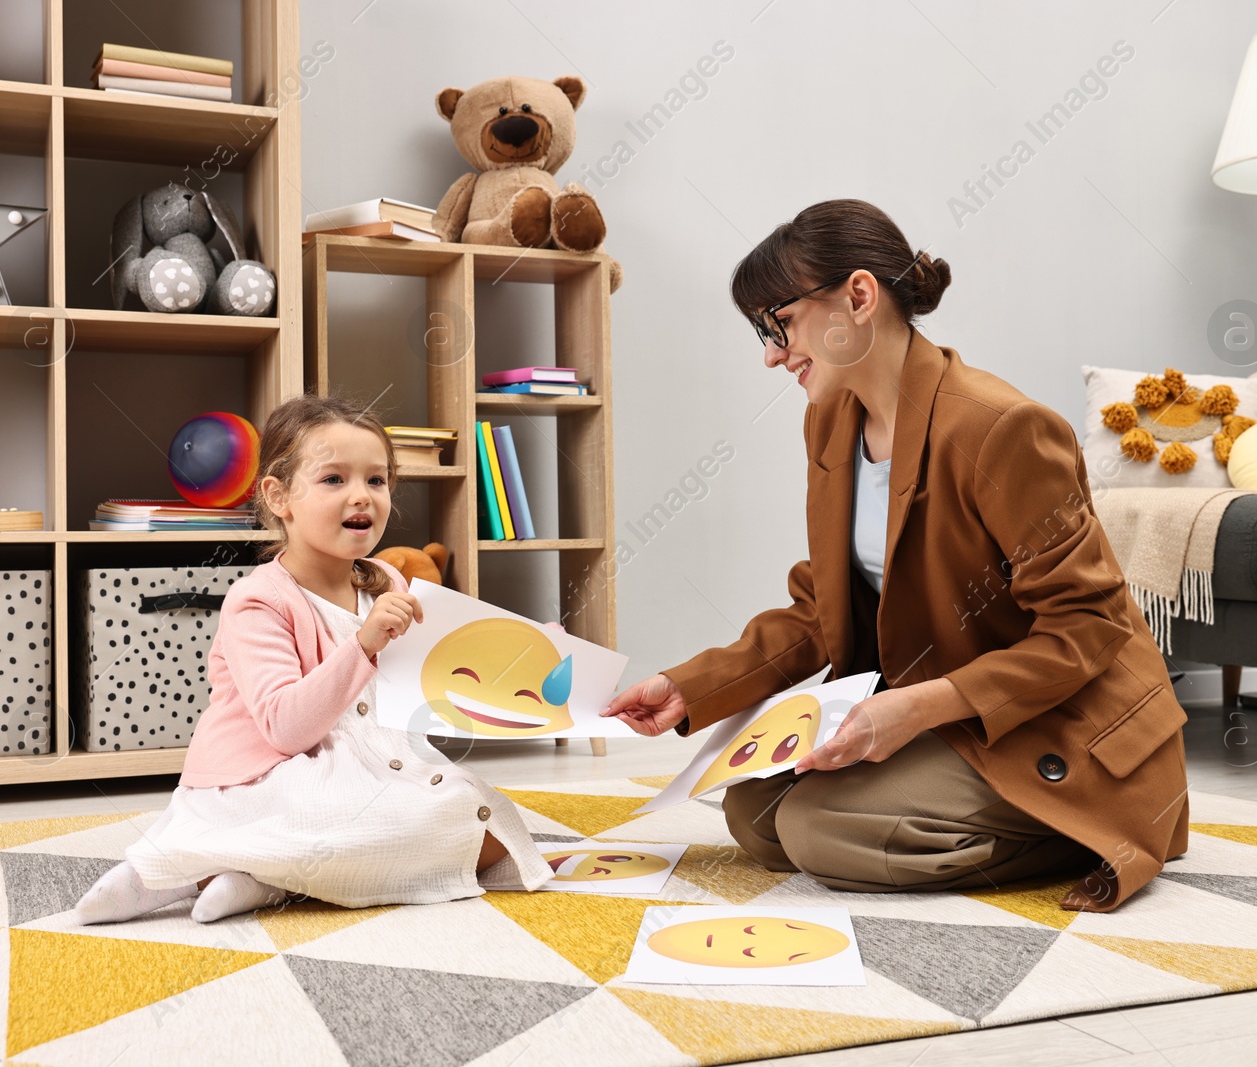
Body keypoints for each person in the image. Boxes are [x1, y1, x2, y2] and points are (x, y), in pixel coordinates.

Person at [603, 199, 1189, 912]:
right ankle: (989, 810)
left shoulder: (1003, 428)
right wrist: (692, 685)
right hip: (947, 708)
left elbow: (1087, 630)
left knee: (817, 829)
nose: (769, 352)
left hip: (1061, 718)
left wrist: (917, 709)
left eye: (778, 323)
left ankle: (1093, 828)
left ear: (858, 295)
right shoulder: (831, 418)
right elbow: (824, 604)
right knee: (754, 814)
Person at [75, 395, 551, 924]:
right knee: (328, 816)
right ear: (279, 497)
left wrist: (520, 653)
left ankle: (267, 881)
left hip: (373, 763)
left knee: (487, 824)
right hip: (272, 773)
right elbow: (287, 729)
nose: (362, 497)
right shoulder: (258, 600)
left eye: (376, 480)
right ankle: (185, 870)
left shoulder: (386, 582)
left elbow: (433, 673)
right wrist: (363, 645)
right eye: (333, 480)